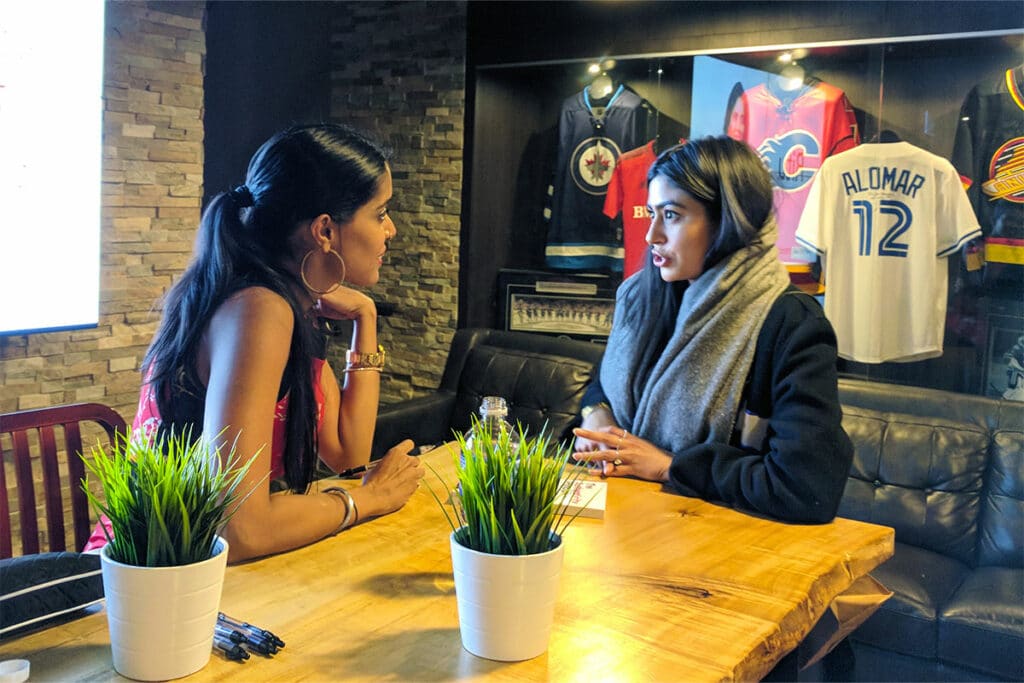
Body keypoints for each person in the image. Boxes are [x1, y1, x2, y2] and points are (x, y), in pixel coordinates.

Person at [84, 123, 424, 562]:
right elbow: (238, 528)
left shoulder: (286, 304)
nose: (391, 230)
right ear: (324, 231)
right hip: (140, 582)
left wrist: (366, 317)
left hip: (190, 573)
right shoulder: (258, 310)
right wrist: (363, 501)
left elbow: (347, 454)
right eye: (380, 213)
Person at [572, 136, 852, 524]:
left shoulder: (789, 323)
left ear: (728, 222)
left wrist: (669, 466)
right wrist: (596, 412)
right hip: (624, 520)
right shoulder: (642, 296)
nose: (652, 235)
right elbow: (609, 382)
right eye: (651, 213)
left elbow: (805, 489)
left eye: (671, 215)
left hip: (723, 543)